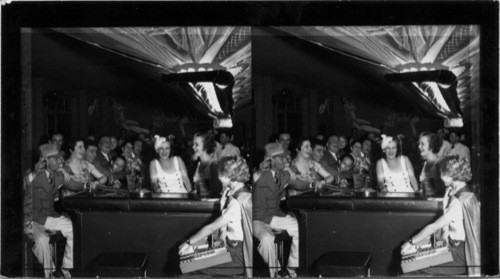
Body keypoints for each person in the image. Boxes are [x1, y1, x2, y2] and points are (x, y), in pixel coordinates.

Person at [401, 155, 480, 276]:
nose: (440, 177)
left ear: (450, 175)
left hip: (459, 256)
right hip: (454, 248)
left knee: (409, 265)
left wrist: (411, 242)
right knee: (408, 262)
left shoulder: (458, 200)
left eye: (441, 173)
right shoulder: (459, 192)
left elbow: (433, 227)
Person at [178, 156, 253, 277]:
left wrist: (188, 242)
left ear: (228, 175)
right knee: (187, 262)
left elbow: (212, 228)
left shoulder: (236, 201)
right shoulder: (238, 192)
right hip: (233, 249)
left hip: (236, 256)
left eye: (219, 174)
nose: (217, 177)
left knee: (186, 263)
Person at [24, 144, 85, 278]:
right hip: (31, 219)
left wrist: (87, 185)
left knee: (74, 228)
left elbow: (75, 185)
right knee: (42, 240)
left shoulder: (58, 175)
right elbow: (26, 184)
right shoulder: (32, 175)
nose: (61, 161)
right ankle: (49, 274)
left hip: (49, 217)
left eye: (60, 158)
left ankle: (66, 268)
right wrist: (34, 172)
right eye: (56, 159)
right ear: (45, 160)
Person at [253, 143, 299, 278]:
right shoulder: (259, 174)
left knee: (299, 227)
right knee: (267, 239)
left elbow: (297, 181)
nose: (285, 161)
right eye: (281, 158)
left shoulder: (283, 175)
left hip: (275, 215)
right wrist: (263, 166)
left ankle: (292, 266)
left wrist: (288, 167)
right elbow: (256, 176)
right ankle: (276, 272)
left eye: (285, 158)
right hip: (258, 218)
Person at [192, 132, 222, 197]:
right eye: (193, 144)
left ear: (205, 146)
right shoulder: (199, 164)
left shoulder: (213, 164)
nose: (193, 147)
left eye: (196, 145)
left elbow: (216, 190)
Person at [418, 131, 445, 197]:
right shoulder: (426, 163)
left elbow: (439, 191)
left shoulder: (439, 164)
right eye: (419, 143)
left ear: (431, 145)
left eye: (422, 144)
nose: (419, 146)